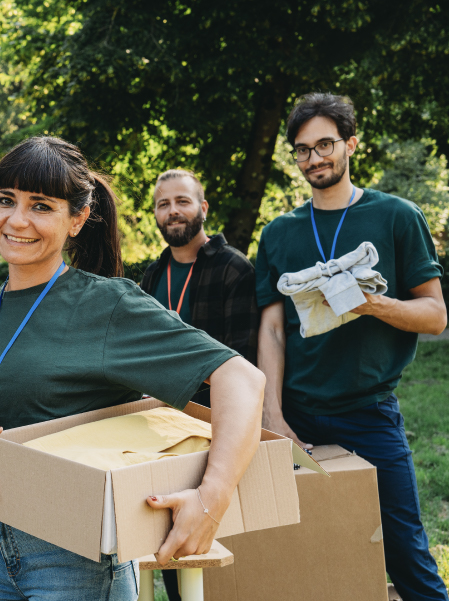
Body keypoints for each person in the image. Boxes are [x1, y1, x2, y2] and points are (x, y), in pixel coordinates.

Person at [0, 137, 266, 601]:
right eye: (6, 200)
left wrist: (213, 498)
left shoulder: (107, 305)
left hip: (76, 556)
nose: (17, 219)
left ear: (78, 219)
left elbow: (242, 378)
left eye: (41, 206)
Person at [256, 93, 448, 601]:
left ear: (351, 144)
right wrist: (273, 417)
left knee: (406, 554)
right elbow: (272, 331)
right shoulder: (278, 234)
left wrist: (370, 304)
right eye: (302, 150)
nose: (314, 158)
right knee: (306, 555)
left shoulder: (397, 216)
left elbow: (435, 315)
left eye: (325, 144)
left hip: (370, 414)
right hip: (298, 416)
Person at [138, 169, 259, 601]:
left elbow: (242, 359)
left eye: (182, 201)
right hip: (160, 428)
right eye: (163, 204)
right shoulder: (151, 276)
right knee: (169, 537)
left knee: (214, 543)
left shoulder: (234, 268)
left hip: (215, 428)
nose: (172, 211)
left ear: (203, 208)